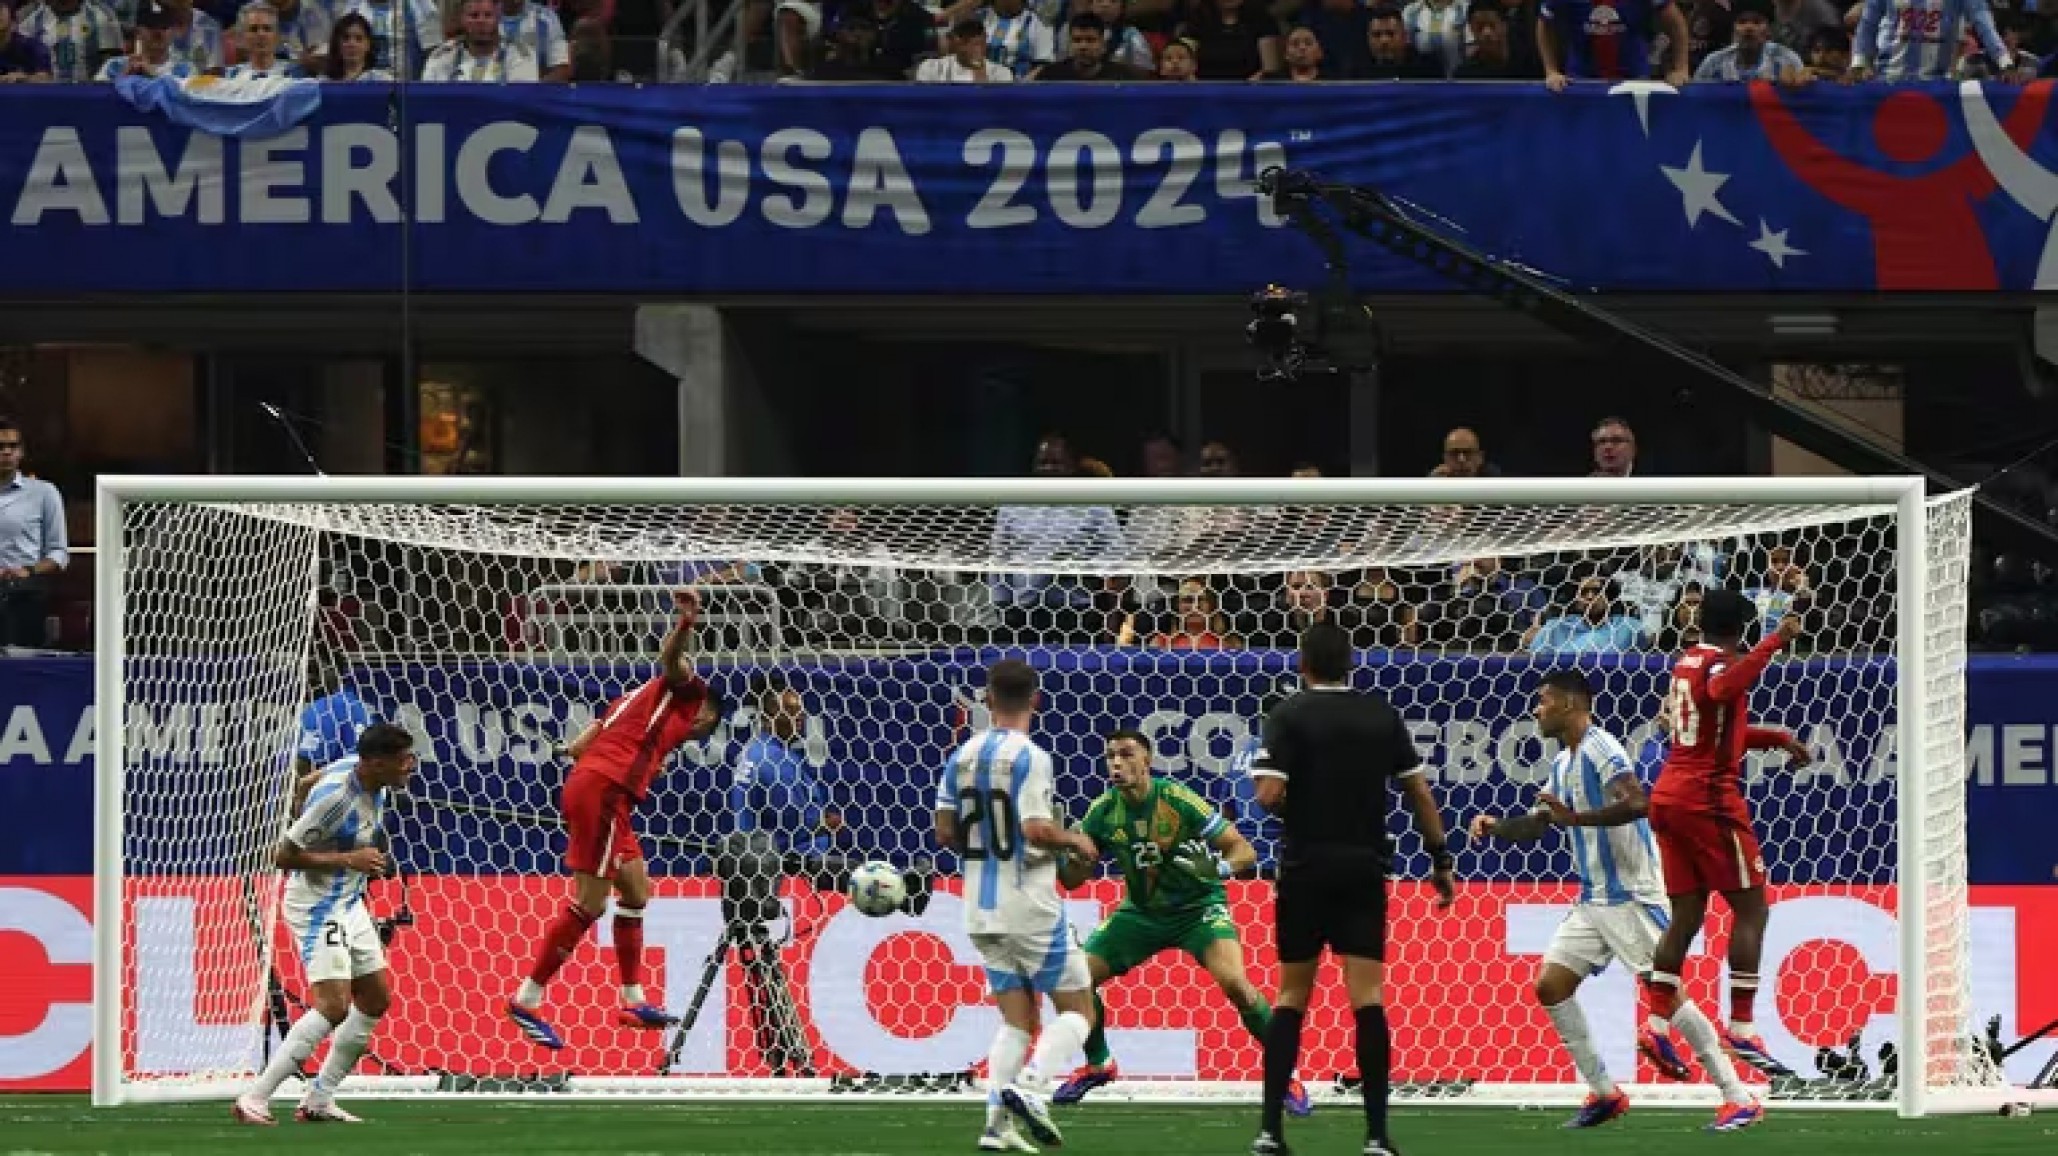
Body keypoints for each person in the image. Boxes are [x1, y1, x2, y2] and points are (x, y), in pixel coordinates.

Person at [1469, 672, 1759, 1133]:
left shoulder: (1603, 748)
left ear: (1569, 703)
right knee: (1551, 986)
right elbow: (1546, 822)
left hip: (1628, 896)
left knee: (1664, 992)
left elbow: (1638, 802)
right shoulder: (1565, 763)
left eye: (1542, 701)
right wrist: (1497, 827)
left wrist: (1576, 818)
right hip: (1593, 900)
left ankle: (1737, 1096)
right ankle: (1605, 1092)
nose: (1536, 710)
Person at [1249, 622, 1455, 1156]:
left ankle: (1270, 1130)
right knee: (1367, 1000)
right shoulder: (1381, 716)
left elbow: (1269, 793)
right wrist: (1440, 859)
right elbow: (1419, 794)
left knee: (1292, 996)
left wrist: (1286, 788)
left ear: (1303, 664)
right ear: (1351, 664)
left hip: (1305, 868)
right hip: (1363, 870)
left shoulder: (1287, 714)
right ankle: (1377, 1136)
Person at [505, 590, 726, 1050]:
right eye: (706, 725)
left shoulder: (633, 701)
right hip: (605, 792)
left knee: (636, 889)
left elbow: (584, 745)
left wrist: (578, 752)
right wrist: (685, 623)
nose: (699, 732)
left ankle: (632, 997)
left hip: (600, 789)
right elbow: (671, 661)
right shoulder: (688, 693)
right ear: (706, 714)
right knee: (589, 902)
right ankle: (527, 1000)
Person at [1051, 729, 1310, 1115]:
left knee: (1237, 985)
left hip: (1198, 910)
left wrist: (1217, 868)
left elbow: (1245, 851)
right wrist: (1066, 850)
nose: (1117, 763)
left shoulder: (1176, 799)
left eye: (1126, 754)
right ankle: (1098, 1063)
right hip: (1140, 914)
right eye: (1110, 757)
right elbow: (1071, 881)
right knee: (1074, 980)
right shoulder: (1103, 811)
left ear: (1147, 761)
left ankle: (1285, 1077)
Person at [1641, 589, 1812, 1084]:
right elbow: (1722, 690)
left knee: (1688, 913)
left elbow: (1714, 726)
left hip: (1669, 796)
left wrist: (1777, 737)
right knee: (1752, 908)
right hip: (1707, 800)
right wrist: (1777, 640)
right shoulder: (1719, 666)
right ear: (1742, 630)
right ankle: (1739, 1026)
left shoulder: (1684, 662)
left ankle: (1655, 1025)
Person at [935, 658, 1097, 1153]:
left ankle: (995, 1127)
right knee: (1079, 1010)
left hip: (978, 907)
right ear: (1036, 700)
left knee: (1016, 1020)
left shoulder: (960, 756)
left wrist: (986, 844)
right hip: (1029, 902)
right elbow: (1033, 829)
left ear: (985, 699)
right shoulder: (1032, 755)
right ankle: (1031, 1086)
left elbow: (945, 832)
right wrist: (1075, 840)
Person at [233, 723, 417, 1125]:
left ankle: (319, 1099)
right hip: (317, 906)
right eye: (403, 761)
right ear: (376, 763)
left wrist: (300, 794)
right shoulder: (335, 802)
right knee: (333, 1006)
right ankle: (255, 1099)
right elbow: (281, 857)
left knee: (375, 999)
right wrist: (347, 859)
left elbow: (311, 777)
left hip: (348, 902)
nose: (410, 768)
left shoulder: (358, 767)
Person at [291, 656, 375, 811]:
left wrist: (294, 807)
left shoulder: (323, 708)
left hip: (324, 807)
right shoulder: (357, 705)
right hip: (360, 804)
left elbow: (305, 764)